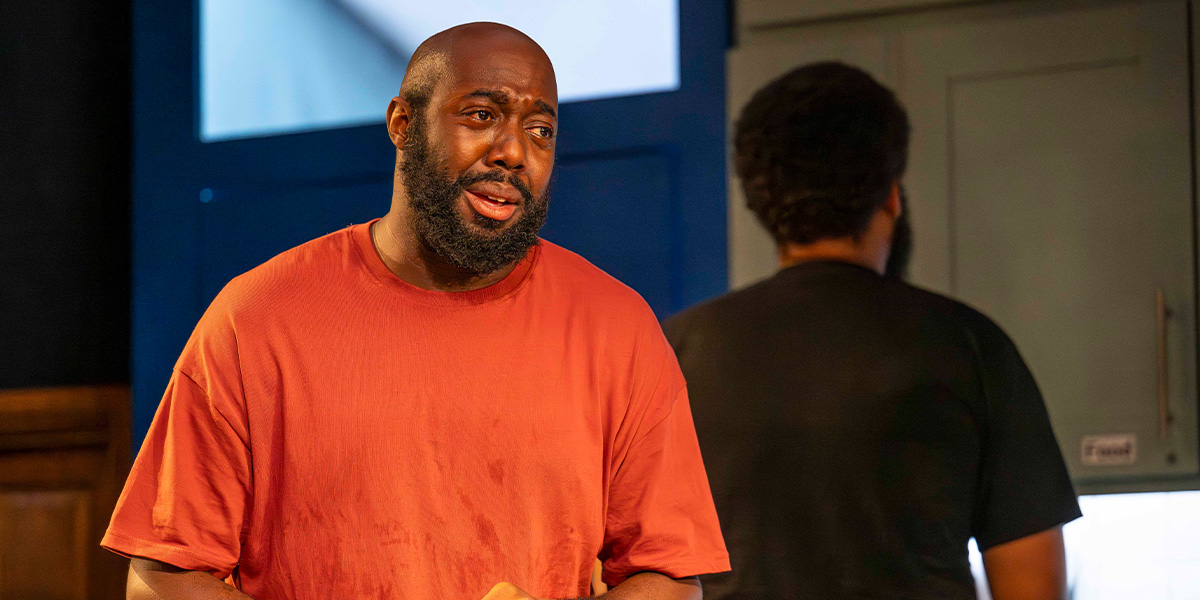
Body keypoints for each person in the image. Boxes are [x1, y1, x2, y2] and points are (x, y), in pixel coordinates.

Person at [103, 23, 728, 600]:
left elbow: (670, 573)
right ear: (403, 123)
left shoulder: (616, 326)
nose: (514, 152)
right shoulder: (257, 317)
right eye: (482, 115)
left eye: (541, 130)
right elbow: (164, 573)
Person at [663, 62, 1080, 600]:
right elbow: (1033, 586)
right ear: (891, 197)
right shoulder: (971, 347)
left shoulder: (676, 352)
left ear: (760, 204)